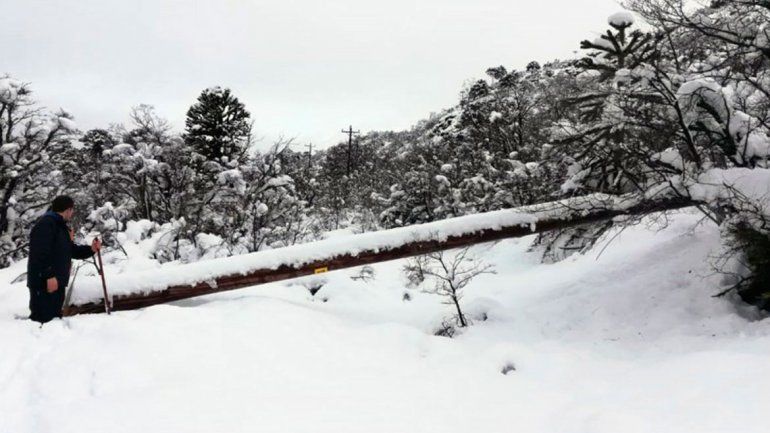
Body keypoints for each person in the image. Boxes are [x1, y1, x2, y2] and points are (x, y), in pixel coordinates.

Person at [27, 196, 102, 324]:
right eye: (72, 210)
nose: (72, 213)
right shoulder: (46, 224)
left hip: (56, 282)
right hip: (44, 283)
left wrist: (91, 249)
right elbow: (39, 254)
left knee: (53, 322)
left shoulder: (60, 226)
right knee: (42, 323)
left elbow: (70, 250)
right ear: (68, 209)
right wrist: (49, 276)